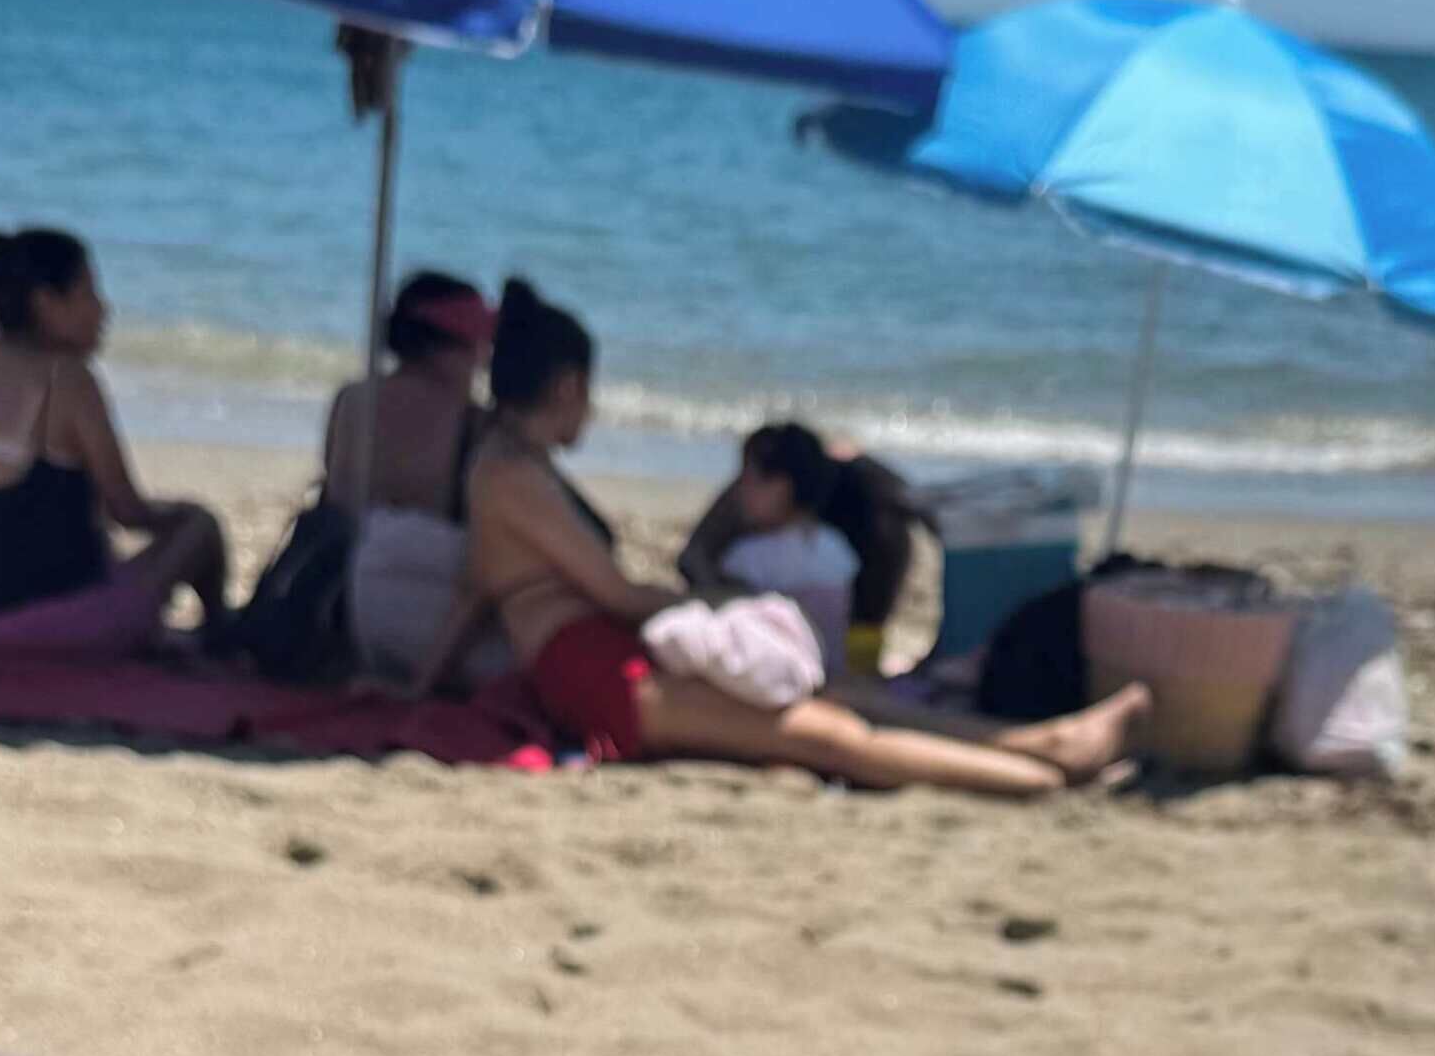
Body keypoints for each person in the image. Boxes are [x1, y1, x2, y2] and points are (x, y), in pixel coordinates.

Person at [464, 284, 1144, 797]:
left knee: (835, 696)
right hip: (589, 671)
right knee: (827, 734)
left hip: (598, 655)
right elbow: (608, 591)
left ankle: (1046, 742)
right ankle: (1038, 776)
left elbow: (483, 587)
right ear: (568, 384)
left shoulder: (512, 466)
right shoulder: (511, 474)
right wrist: (707, 599)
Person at [0, 232, 226, 648]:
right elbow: (127, 509)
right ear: (44, 302)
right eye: (88, 293)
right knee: (202, 526)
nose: (103, 309)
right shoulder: (68, 380)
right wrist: (177, 513)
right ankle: (220, 641)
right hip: (50, 629)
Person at [324, 271, 497, 690]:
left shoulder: (352, 399)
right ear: (446, 347)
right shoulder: (470, 422)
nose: (483, 358)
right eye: (477, 343)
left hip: (331, 600)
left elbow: (333, 495)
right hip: (411, 602)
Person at [678, 424, 923, 672]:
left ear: (781, 488)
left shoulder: (748, 557)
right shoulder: (838, 549)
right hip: (836, 663)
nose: (741, 492)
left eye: (748, 480)